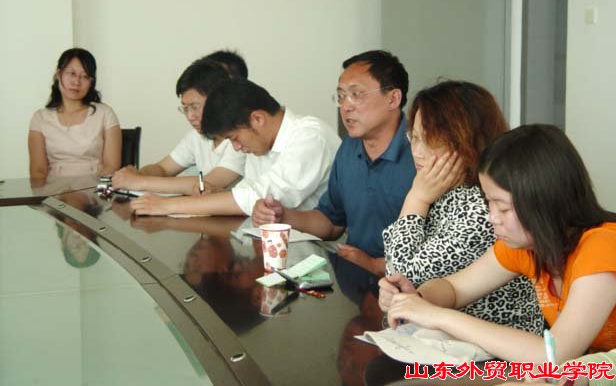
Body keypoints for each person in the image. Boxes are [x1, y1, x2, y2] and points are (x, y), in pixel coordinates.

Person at [379, 124, 616, 365]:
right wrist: (417, 299)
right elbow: (454, 289)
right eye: (489, 202)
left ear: (544, 202)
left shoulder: (603, 248)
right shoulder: (528, 247)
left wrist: (437, 316)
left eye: (503, 207)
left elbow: (552, 354)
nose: (492, 217)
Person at [383, 81, 543, 334]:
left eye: (430, 140)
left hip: (498, 345)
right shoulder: (442, 190)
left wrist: (416, 199)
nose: (418, 152)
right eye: (414, 138)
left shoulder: (484, 207)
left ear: (467, 141)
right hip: (446, 338)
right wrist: (398, 294)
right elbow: (403, 282)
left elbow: (408, 276)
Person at [252, 50, 415, 275]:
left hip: (411, 283)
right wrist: (283, 216)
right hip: (356, 277)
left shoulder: (421, 152)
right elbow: (331, 222)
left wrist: (378, 265)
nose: (346, 106)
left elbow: (443, 247)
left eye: (356, 94)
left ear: (393, 98)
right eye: (341, 96)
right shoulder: (349, 148)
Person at [130, 79, 341, 216]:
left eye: (234, 138)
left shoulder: (310, 137)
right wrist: (217, 194)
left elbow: (263, 198)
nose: (237, 148)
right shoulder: (261, 144)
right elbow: (247, 191)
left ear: (257, 119)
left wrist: (166, 205)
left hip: (323, 255)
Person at [111, 51, 246, 195]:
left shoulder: (240, 138)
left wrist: (139, 181)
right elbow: (162, 168)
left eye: (195, 107)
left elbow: (207, 183)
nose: (190, 116)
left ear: (217, 101)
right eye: (185, 108)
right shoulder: (196, 136)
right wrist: (137, 174)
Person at [28, 48, 121, 178]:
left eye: (85, 76)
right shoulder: (40, 118)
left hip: (94, 188)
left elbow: (111, 167)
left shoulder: (105, 114)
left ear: (91, 82)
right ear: (58, 74)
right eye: (71, 73)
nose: (76, 82)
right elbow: (38, 172)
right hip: (54, 189)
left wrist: (96, 190)